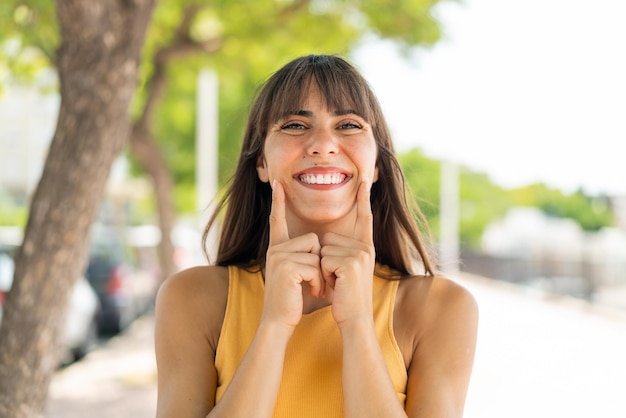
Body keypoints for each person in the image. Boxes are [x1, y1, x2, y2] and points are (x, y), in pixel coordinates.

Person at [154, 54, 478, 418]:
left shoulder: (441, 307)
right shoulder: (192, 298)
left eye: (349, 125)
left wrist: (357, 325)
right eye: (294, 125)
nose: (323, 145)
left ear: (375, 165)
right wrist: (274, 326)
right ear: (261, 161)